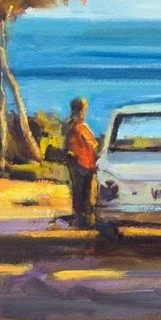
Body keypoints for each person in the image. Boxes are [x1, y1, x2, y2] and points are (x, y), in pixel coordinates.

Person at [63, 97, 99, 228]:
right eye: (84, 109)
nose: (85, 112)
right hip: (82, 163)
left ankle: (83, 219)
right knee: (83, 193)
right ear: (80, 110)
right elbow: (92, 143)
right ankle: (84, 220)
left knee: (81, 192)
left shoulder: (72, 125)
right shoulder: (77, 126)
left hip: (84, 163)